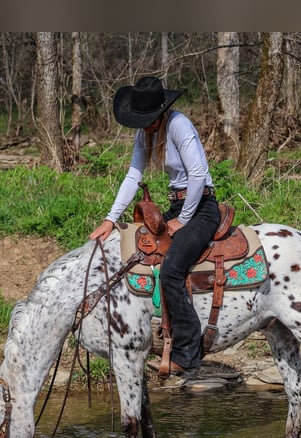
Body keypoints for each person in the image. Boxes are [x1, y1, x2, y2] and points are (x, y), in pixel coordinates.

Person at [90, 76, 220, 375]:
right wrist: (111, 219)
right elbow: (133, 176)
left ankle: (188, 353)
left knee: (172, 270)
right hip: (178, 205)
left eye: (147, 119)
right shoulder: (145, 134)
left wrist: (183, 219)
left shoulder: (179, 125)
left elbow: (198, 174)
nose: (144, 124)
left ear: (160, 112)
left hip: (202, 207)